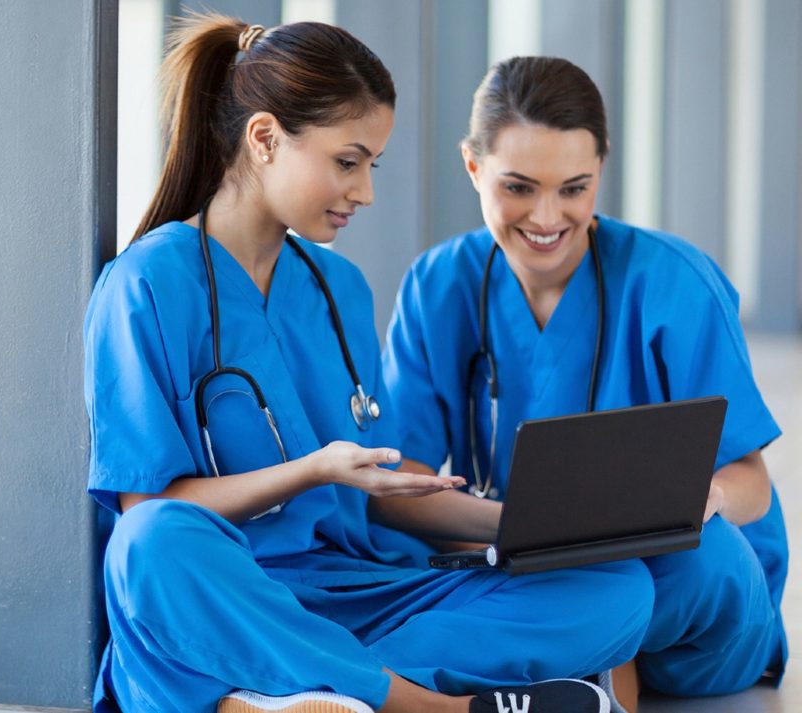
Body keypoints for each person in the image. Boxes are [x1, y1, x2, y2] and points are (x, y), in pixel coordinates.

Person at [84, 20, 654, 713]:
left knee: (620, 586)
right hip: (228, 588)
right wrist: (315, 467)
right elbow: (152, 505)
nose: (365, 192)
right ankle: (431, 705)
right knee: (151, 547)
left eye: (372, 166)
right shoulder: (145, 284)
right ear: (264, 139)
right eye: (348, 162)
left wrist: (528, 524)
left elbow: (378, 490)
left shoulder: (337, 288)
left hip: (359, 588)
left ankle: (294, 688)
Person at [382, 56, 788, 708]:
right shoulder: (438, 285)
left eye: (574, 187)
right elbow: (399, 484)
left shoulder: (674, 281)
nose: (547, 217)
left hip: (680, 596)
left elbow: (753, 483)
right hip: (514, 561)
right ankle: (567, 670)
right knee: (381, 545)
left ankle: (538, 664)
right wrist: (517, 536)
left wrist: (691, 502)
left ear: (602, 168)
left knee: (701, 557)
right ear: (472, 166)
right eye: (518, 186)